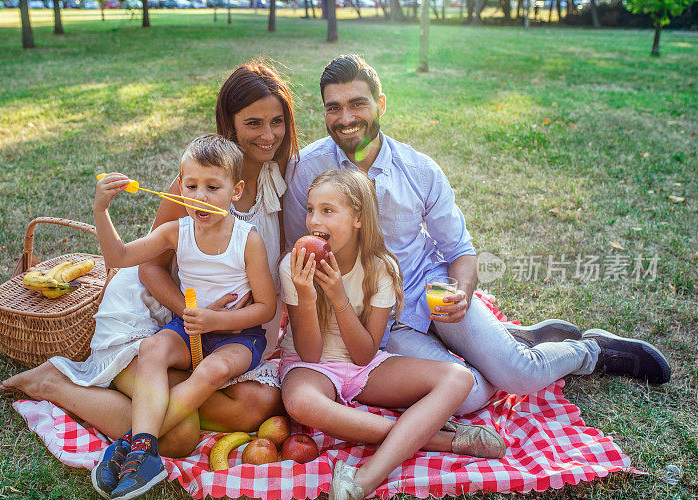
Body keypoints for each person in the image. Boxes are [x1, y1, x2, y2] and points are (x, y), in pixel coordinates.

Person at [283, 54, 671, 417]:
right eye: (334, 107)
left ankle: (590, 351)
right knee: (466, 396)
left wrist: (462, 295)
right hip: (378, 324)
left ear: (380, 104)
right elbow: (301, 248)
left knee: (519, 375)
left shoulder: (419, 170)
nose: (346, 117)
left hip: (429, 291)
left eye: (357, 103)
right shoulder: (307, 169)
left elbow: (461, 250)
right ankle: (503, 340)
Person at [1, 61, 297, 457]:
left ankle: (159, 394)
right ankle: (55, 384)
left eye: (276, 121)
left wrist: (216, 321)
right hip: (157, 312)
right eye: (253, 123)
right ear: (230, 124)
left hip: (218, 328)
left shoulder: (276, 179)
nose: (268, 134)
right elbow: (147, 265)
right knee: (178, 438)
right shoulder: (194, 186)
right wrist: (192, 313)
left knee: (256, 406)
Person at [279, 169, 505, 500]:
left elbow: (364, 355)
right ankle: (437, 441)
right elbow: (309, 353)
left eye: (327, 210)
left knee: (458, 379)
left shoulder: (380, 269)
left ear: (357, 218)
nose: (313, 220)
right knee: (301, 403)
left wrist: (338, 298)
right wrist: (306, 296)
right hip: (310, 366)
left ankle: (361, 480)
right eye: (310, 209)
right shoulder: (294, 266)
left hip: (363, 364)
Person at [92, 134, 277, 500]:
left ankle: (129, 446)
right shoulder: (177, 232)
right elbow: (120, 256)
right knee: (153, 347)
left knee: (211, 372)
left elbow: (266, 308)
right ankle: (144, 449)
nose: (200, 196)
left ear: (235, 190)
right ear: (179, 188)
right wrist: (102, 211)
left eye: (213, 186)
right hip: (189, 329)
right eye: (190, 186)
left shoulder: (247, 240)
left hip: (237, 337)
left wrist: (214, 321)